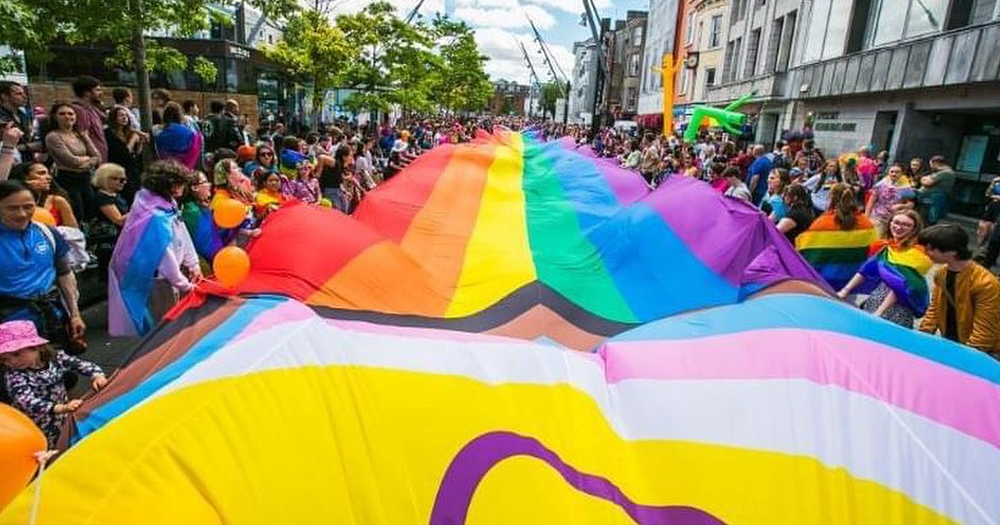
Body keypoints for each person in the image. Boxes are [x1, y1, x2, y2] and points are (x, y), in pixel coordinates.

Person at [108, 161, 201, 337]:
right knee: (166, 329)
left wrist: (193, 262)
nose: (184, 187)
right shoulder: (154, 215)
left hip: (171, 276)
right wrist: (183, 284)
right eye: (180, 183)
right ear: (169, 184)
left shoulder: (165, 204)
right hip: (160, 280)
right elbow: (163, 255)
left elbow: (182, 232)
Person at [0, 180, 86, 354]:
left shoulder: (46, 232)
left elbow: (64, 273)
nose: (22, 214)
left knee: (62, 373)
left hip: (53, 320)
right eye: (12, 208)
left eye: (28, 206)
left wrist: (74, 314)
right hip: (11, 330)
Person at [0, 320, 107, 445]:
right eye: (4, 359)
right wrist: (58, 408)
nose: (11, 362)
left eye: (16, 354)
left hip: (61, 414)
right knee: (47, 447)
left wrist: (96, 375)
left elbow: (79, 364)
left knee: (68, 437)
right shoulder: (14, 375)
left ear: (35, 347)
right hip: (37, 422)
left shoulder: (56, 358)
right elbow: (25, 401)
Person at [837, 210, 931, 327]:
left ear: (915, 229)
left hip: (898, 305)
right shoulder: (885, 247)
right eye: (896, 222)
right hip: (877, 298)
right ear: (890, 223)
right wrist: (844, 291)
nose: (898, 227)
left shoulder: (917, 254)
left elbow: (900, 286)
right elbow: (866, 270)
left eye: (906, 225)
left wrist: (879, 312)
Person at [918, 223, 1000, 356]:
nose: (927, 253)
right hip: (950, 342)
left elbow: (984, 329)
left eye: (932, 249)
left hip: (981, 353)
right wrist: (923, 336)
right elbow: (935, 308)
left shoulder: (985, 283)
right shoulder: (942, 273)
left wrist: (968, 356)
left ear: (953, 251)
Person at [795, 184, 878, 291]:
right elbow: (873, 254)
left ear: (831, 198)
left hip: (826, 283)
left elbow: (805, 250)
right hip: (855, 283)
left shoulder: (821, 223)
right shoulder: (867, 224)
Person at [44, 103, 100, 221]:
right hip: (68, 180)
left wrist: (86, 138)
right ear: (55, 117)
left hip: (85, 178)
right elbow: (72, 161)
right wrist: (88, 159)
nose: (67, 116)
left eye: (70, 113)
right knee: (76, 213)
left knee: (91, 211)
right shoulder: (53, 137)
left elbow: (97, 157)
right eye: (62, 114)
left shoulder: (79, 135)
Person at [89, 163, 130, 277]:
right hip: (108, 242)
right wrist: (140, 209)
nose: (122, 183)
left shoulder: (116, 196)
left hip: (120, 239)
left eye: (123, 180)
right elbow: (119, 220)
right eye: (117, 179)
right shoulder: (102, 197)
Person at [9, 162, 78, 228]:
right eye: (41, 173)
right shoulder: (11, 201)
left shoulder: (57, 201)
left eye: (49, 174)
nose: (48, 177)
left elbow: (73, 231)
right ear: (25, 177)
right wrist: (24, 187)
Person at [105, 105, 147, 202]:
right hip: (119, 170)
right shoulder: (109, 134)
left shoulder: (128, 133)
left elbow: (136, 154)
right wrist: (133, 140)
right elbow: (122, 154)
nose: (124, 118)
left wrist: (139, 143)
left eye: (126, 115)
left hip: (132, 171)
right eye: (121, 115)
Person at [865, 163, 912, 236]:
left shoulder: (905, 187)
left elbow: (911, 204)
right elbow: (871, 201)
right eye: (892, 172)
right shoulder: (881, 185)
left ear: (902, 173)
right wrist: (866, 216)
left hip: (895, 220)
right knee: (876, 238)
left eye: (897, 172)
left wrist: (902, 206)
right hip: (878, 217)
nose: (894, 174)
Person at [70, 76, 108, 163]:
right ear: (87, 92)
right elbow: (83, 134)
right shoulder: (79, 110)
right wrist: (96, 154)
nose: (101, 93)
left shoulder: (92, 109)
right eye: (97, 90)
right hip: (92, 160)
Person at [155, 102, 203, 170]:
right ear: (180, 116)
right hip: (187, 170)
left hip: (167, 170)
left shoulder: (158, 134)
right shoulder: (193, 135)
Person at [919, 155, 956, 225]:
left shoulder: (945, 172)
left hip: (934, 199)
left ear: (935, 163)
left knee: (929, 219)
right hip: (930, 198)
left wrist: (923, 179)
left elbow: (927, 182)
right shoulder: (938, 172)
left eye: (931, 164)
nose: (931, 167)